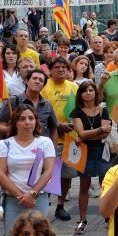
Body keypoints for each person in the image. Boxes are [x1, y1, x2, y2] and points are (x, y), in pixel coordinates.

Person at [0, 104, 55, 236]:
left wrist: (32, 193)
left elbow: (49, 171)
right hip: (14, 201)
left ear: (36, 121)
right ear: (15, 123)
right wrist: (21, 195)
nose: (27, 122)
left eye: (31, 118)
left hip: (38, 199)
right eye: (22, 119)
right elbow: (0, 173)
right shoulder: (4, 144)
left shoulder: (44, 142)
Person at [69, 80, 112, 234]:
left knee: (105, 184)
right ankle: (82, 219)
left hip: (101, 150)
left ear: (95, 92)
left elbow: (106, 133)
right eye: (85, 90)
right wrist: (98, 131)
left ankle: (108, 216)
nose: (88, 93)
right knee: (84, 186)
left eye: (91, 90)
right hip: (84, 153)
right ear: (80, 94)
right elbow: (82, 133)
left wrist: (86, 136)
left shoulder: (102, 110)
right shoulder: (76, 112)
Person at [40, 57, 79, 222]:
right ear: (50, 70)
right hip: (50, 139)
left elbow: (80, 109)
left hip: (71, 138)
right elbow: (40, 112)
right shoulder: (44, 87)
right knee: (48, 175)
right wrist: (58, 125)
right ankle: (42, 207)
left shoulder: (74, 87)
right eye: (57, 67)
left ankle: (60, 206)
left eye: (64, 67)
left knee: (66, 175)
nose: (61, 70)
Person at [0, 68, 59, 141]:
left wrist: (52, 151)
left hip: (40, 149)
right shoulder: (13, 101)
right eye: (34, 78)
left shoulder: (47, 104)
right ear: (26, 81)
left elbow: (53, 131)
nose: (37, 82)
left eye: (41, 80)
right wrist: (13, 129)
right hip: (18, 148)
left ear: (43, 86)